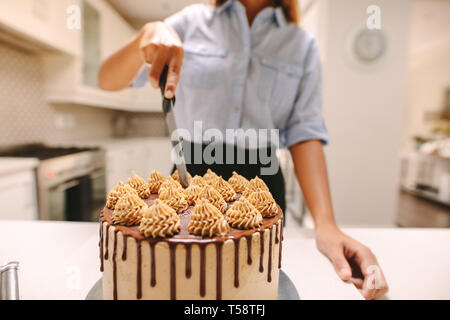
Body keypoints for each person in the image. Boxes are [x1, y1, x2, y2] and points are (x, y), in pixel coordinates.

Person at [98, 0, 388, 299]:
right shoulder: (191, 21)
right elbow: (106, 80)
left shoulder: (301, 44)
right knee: (179, 283)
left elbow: (305, 132)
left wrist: (326, 226)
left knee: (249, 288)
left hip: (261, 184)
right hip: (188, 179)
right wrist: (144, 36)